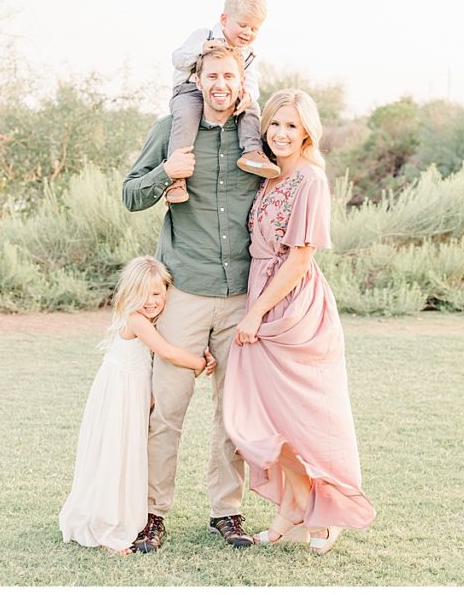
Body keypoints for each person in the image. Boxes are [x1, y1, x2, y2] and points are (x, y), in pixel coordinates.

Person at [123, 46, 262, 552]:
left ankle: (226, 512)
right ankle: (152, 513)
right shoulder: (171, 130)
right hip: (184, 292)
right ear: (197, 80)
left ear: (242, 81)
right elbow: (130, 193)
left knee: (233, 412)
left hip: (243, 296)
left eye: (230, 75)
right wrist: (166, 173)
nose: (221, 84)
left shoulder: (256, 134)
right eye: (212, 75)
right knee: (168, 412)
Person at [224, 89, 376, 554]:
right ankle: (293, 505)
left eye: (291, 125)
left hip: (292, 306)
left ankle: (326, 514)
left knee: (310, 415)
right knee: (264, 416)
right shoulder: (268, 179)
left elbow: (298, 259)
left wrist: (254, 313)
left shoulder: (310, 179)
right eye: (274, 124)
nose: (281, 133)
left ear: (307, 129)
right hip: (259, 291)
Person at [59, 256, 216, 555]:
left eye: (157, 293)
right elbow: (167, 352)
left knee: (130, 454)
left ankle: (121, 515)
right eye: (143, 294)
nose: (150, 301)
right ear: (130, 294)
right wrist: (200, 362)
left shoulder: (153, 320)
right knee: (116, 456)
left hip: (132, 392)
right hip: (120, 394)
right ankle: (106, 528)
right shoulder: (136, 320)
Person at [166, 0, 279, 204]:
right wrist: (201, 49)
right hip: (190, 90)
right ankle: (177, 177)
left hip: (226, 93)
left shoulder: (247, 53)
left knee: (252, 105)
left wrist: (248, 96)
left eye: (254, 28)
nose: (248, 32)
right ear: (224, 19)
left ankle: (252, 152)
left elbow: (251, 80)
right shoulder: (204, 35)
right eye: (243, 25)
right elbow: (177, 59)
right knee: (187, 115)